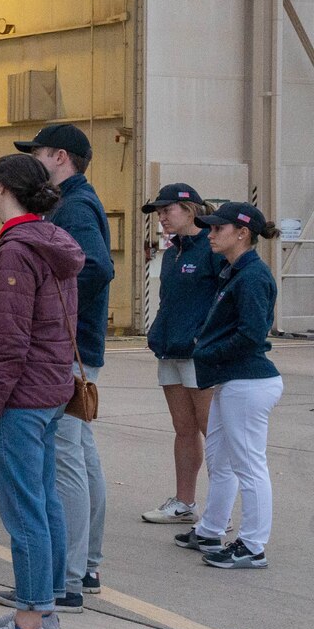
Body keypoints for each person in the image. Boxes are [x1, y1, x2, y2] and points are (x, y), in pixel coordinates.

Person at [0, 154, 81, 629]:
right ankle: (44, 609)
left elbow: (9, 341)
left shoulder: (14, 252)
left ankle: (29, 624)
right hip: (50, 391)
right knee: (44, 501)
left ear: (5, 188)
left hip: (22, 397)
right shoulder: (49, 243)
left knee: (24, 508)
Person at [15, 122, 113, 596]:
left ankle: (68, 579)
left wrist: (54, 310)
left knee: (67, 461)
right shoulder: (75, 202)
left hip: (69, 349)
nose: (32, 162)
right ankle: (85, 565)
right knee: (81, 456)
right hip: (78, 345)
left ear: (59, 157)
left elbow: (95, 266)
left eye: (36, 154)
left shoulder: (73, 206)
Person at [184, 202, 281, 569]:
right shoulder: (234, 271)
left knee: (249, 465)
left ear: (242, 233)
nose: (210, 235)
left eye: (217, 229)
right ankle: (211, 528)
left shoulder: (252, 276)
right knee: (221, 457)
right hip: (234, 379)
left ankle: (253, 546)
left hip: (247, 380)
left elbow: (252, 334)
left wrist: (209, 352)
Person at [141, 184, 218, 525]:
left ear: (189, 211)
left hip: (198, 354)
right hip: (170, 349)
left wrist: (205, 337)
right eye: (159, 212)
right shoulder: (173, 252)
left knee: (210, 429)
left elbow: (224, 299)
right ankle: (184, 502)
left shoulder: (212, 247)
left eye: (166, 210)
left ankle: (218, 510)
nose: (161, 217)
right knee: (183, 428)